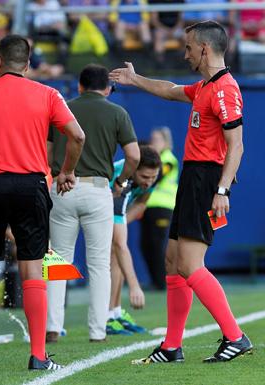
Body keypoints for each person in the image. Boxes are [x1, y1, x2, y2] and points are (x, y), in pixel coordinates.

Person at [110, 20, 253, 364]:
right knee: (173, 262)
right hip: (193, 179)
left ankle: (236, 336)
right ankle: (172, 346)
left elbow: (237, 146)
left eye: (188, 47)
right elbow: (172, 89)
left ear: (205, 48)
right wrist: (136, 79)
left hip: (206, 181)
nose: (185, 52)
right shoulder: (206, 85)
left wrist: (222, 190)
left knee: (190, 265)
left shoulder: (224, 89)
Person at [0, 34, 85, 372]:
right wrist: (66, 171)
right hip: (31, 185)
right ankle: (39, 355)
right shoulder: (48, 94)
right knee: (32, 268)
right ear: (28, 64)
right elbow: (78, 136)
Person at [46, 63, 140, 344]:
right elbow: (134, 156)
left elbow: (48, 151)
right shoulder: (117, 112)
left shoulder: (62, 109)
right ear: (108, 89)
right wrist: (121, 181)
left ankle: (52, 326)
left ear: (79, 85)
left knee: (58, 260)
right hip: (99, 190)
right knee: (99, 264)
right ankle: (98, 330)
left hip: (61, 187)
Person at [107, 146, 161, 336]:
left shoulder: (152, 176)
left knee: (116, 253)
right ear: (134, 169)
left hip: (115, 211)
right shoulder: (122, 181)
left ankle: (114, 312)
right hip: (90, 206)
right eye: (145, 177)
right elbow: (121, 244)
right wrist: (135, 287)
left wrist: (122, 224)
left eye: (153, 177)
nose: (149, 182)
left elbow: (141, 204)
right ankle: (107, 317)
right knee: (116, 251)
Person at [140, 127, 179, 290]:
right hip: (148, 207)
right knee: (145, 245)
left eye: (157, 140)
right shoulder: (153, 159)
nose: (153, 143)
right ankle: (156, 281)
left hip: (163, 208)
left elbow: (157, 177)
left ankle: (163, 282)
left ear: (166, 142)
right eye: (152, 139)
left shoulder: (168, 159)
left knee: (158, 245)